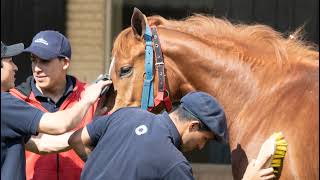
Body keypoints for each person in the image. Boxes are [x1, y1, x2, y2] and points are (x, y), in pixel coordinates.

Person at [69, 91, 276, 180]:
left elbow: (76, 139)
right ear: (193, 126)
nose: (201, 147)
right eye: (205, 139)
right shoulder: (174, 164)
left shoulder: (126, 115)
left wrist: (100, 163)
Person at [1, 41, 111, 179]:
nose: (15, 67)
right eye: (10, 61)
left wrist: (85, 133)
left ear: (65, 63)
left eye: (45, 61)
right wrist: (87, 99)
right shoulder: (6, 103)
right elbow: (59, 125)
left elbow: (42, 144)